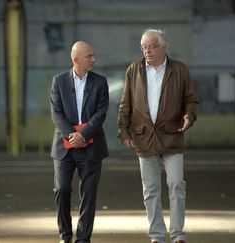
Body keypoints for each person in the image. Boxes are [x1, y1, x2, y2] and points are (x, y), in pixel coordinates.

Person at [117, 29, 199, 243]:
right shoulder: (133, 70)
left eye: (152, 46)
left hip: (172, 135)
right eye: (144, 47)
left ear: (164, 47)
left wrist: (189, 116)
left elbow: (191, 99)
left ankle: (178, 234)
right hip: (144, 137)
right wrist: (123, 130)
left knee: (176, 184)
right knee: (150, 189)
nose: (147, 51)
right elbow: (126, 104)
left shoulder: (179, 70)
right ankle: (156, 236)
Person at [50, 41, 109, 243]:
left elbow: (101, 113)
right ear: (76, 59)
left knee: (89, 193)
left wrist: (82, 134)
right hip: (64, 147)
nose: (94, 59)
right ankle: (65, 236)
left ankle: (83, 239)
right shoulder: (59, 81)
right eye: (89, 56)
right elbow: (56, 113)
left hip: (91, 147)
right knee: (62, 189)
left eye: (93, 55)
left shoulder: (100, 82)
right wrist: (71, 136)